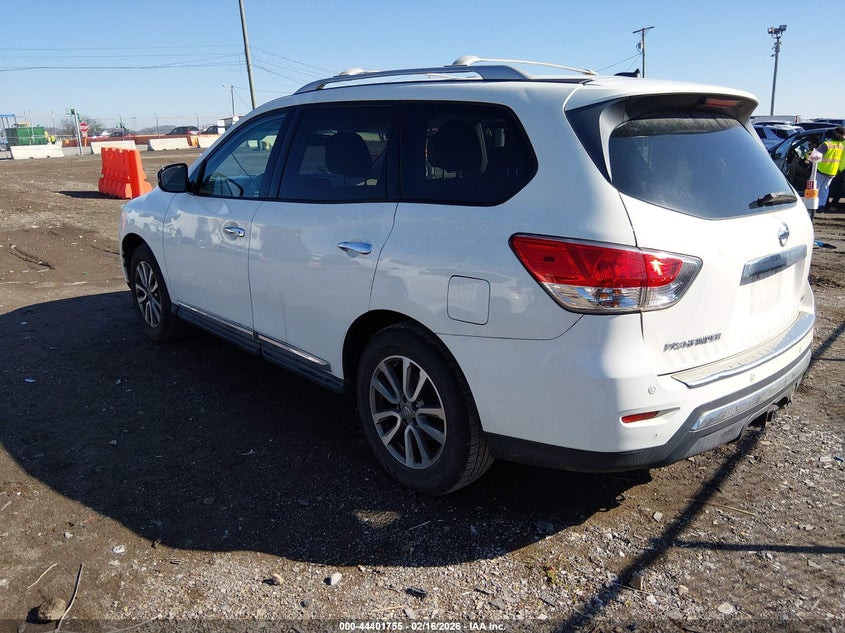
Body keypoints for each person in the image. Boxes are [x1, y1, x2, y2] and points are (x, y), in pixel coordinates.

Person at [812, 127, 845, 212]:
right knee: (825, 189)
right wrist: (839, 169)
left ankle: (812, 205)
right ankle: (821, 206)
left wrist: (809, 155)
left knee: (815, 188)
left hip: (822, 169)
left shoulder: (826, 144)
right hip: (832, 171)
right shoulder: (840, 146)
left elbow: (816, 156)